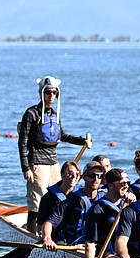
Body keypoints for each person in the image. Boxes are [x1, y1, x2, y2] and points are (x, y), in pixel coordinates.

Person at [18, 75, 91, 232]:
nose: (51, 96)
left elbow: (62, 136)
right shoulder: (31, 114)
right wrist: (26, 168)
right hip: (37, 163)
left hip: (53, 164)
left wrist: (81, 141)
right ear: (42, 93)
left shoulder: (54, 115)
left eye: (54, 93)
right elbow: (23, 142)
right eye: (48, 92)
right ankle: (32, 233)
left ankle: (52, 231)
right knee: (36, 201)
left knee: (57, 197)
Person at [41, 160, 105, 250]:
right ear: (84, 177)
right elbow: (49, 223)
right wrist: (47, 238)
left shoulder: (105, 198)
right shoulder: (71, 200)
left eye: (99, 176)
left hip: (97, 245)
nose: (96, 179)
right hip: (75, 245)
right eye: (91, 175)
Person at [84, 168, 129, 258]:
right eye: (122, 183)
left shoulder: (129, 205)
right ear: (111, 185)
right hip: (104, 254)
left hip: (125, 252)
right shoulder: (97, 209)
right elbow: (90, 242)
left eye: (128, 183)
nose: (126, 186)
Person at [34, 162, 81, 240]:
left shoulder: (81, 195)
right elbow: (40, 226)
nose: (74, 177)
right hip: (55, 239)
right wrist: (46, 238)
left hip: (76, 239)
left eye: (77, 174)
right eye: (70, 173)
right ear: (62, 174)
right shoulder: (48, 198)